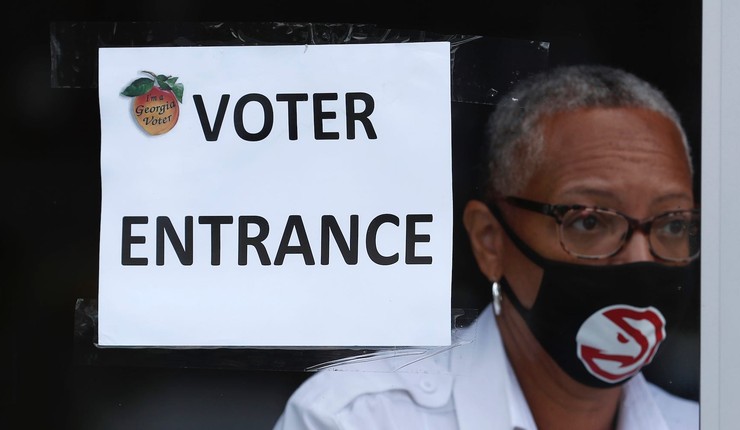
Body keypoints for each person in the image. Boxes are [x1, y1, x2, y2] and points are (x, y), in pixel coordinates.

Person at [273, 64, 700, 430]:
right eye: (588, 221)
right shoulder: (359, 419)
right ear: (489, 240)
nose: (641, 258)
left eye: (673, 224)